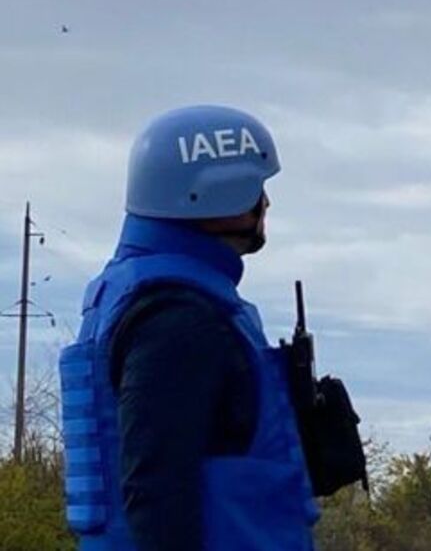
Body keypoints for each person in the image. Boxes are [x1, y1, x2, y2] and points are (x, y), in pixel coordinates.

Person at [59, 105, 320, 550]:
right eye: (257, 187)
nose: (266, 203)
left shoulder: (159, 296)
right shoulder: (176, 317)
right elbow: (155, 489)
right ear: (216, 191)